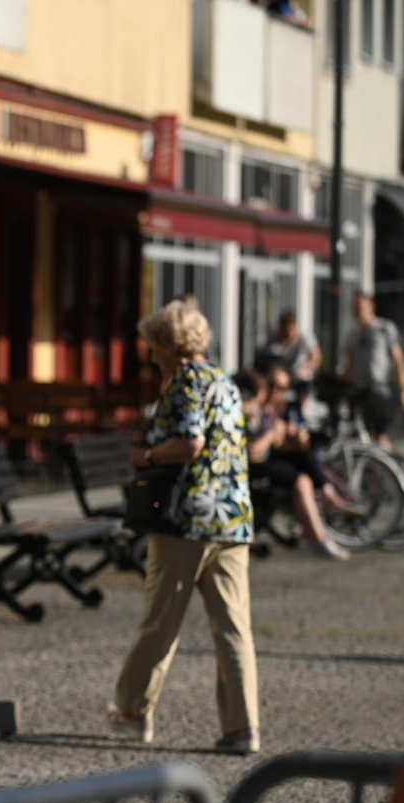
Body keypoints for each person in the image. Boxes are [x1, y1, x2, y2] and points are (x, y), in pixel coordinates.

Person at [106, 300, 261, 754]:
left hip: (186, 519)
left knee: (161, 621)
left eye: (152, 344)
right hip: (233, 520)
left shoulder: (185, 382)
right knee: (234, 627)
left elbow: (191, 443)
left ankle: (133, 711)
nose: (150, 352)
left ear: (167, 345)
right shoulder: (226, 382)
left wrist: (147, 457)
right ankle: (243, 727)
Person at [236, 368, 350, 561]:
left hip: (267, 461)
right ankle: (318, 528)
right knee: (301, 477)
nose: (275, 392)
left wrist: (287, 436)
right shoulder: (247, 413)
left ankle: (322, 515)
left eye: (281, 388)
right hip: (252, 466)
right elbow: (252, 450)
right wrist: (273, 434)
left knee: (304, 458)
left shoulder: (278, 410)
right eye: (271, 386)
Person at [341, 293, 404, 446]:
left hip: (379, 390)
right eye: (355, 307)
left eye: (361, 306)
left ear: (371, 306)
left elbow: (398, 361)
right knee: (358, 434)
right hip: (359, 391)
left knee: (381, 435)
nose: (358, 310)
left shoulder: (384, 328)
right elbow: (349, 365)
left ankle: (386, 466)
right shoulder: (354, 334)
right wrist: (342, 390)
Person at [259, 309, 321, 397]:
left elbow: (316, 357)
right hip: (280, 382)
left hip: (299, 382)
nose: (287, 336)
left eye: (289, 332)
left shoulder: (305, 337)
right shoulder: (273, 336)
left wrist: (305, 370)